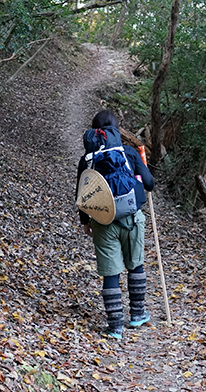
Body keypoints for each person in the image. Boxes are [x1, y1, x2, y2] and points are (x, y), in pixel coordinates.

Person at [76, 110, 155, 339]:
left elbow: (82, 193)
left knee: (111, 273)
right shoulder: (129, 153)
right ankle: (137, 314)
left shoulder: (87, 160)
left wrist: (84, 221)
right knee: (135, 264)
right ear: (116, 130)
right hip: (132, 218)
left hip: (102, 220)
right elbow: (149, 184)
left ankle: (115, 327)